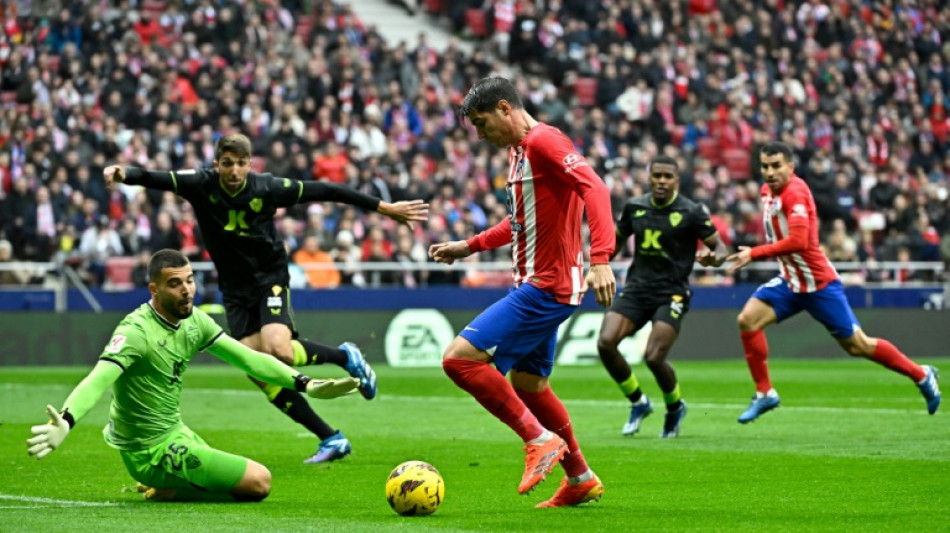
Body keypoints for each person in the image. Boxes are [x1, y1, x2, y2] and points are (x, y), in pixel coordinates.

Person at [104, 133, 428, 463]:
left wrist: (383, 207)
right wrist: (123, 174)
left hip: (268, 276)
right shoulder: (201, 184)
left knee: (278, 350)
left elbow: (327, 190)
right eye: (227, 163)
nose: (234, 171)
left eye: (241, 164)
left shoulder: (267, 188)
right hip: (234, 288)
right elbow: (153, 178)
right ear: (217, 165)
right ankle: (331, 438)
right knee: (256, 368)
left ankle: (345, 357)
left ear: (250, 165)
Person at [26, 249, 360, 502]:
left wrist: (307, 383)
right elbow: (98, 379)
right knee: (259, 483)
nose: (187, 290)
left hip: (177, 433)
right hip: (147, 450)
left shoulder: (194, 321)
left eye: (189, 280)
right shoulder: (135, 332)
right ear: (153, 290)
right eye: (175, 284)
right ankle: (166, 488)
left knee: (230, 474)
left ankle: (168, 484)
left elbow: (249, 359)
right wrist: (66, 420)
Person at [428, 77, 616, 508]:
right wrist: (469, 246)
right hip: (538, 283)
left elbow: (596, 188)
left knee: (459, 359)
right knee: (530, 385)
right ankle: (580, 477)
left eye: (481, 122)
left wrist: (601, 258)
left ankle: (538, 440)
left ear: (504, 108)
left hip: (547, 286)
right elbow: (518, 224)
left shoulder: (544, 142)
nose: (479, 134)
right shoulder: (518, 153)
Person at [726, 142, 941, 423]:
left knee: (858, 346)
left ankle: (921, 374)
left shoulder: (796, 193)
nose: (769, 172)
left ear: (791, 167)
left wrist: (754, 254)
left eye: (776, 166)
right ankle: (765, 393)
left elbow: (799, 241)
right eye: (765, 166)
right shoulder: (767, 191)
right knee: (748, 320)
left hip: (818, 284)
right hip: (791, 281)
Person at [596, 155, 729, 438]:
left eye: (667, 177)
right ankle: (638, 402)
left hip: (672, 293)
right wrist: (598, 266)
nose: (661, 181)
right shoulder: (635, 207)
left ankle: (674, 406)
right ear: (649, 177)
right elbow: (615, 244)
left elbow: (721, 249)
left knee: (654, 357)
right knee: (606, 343)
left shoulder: (691, 211)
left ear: (676, 181)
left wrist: (713, 259)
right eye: (657, 175)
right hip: (637, 289)